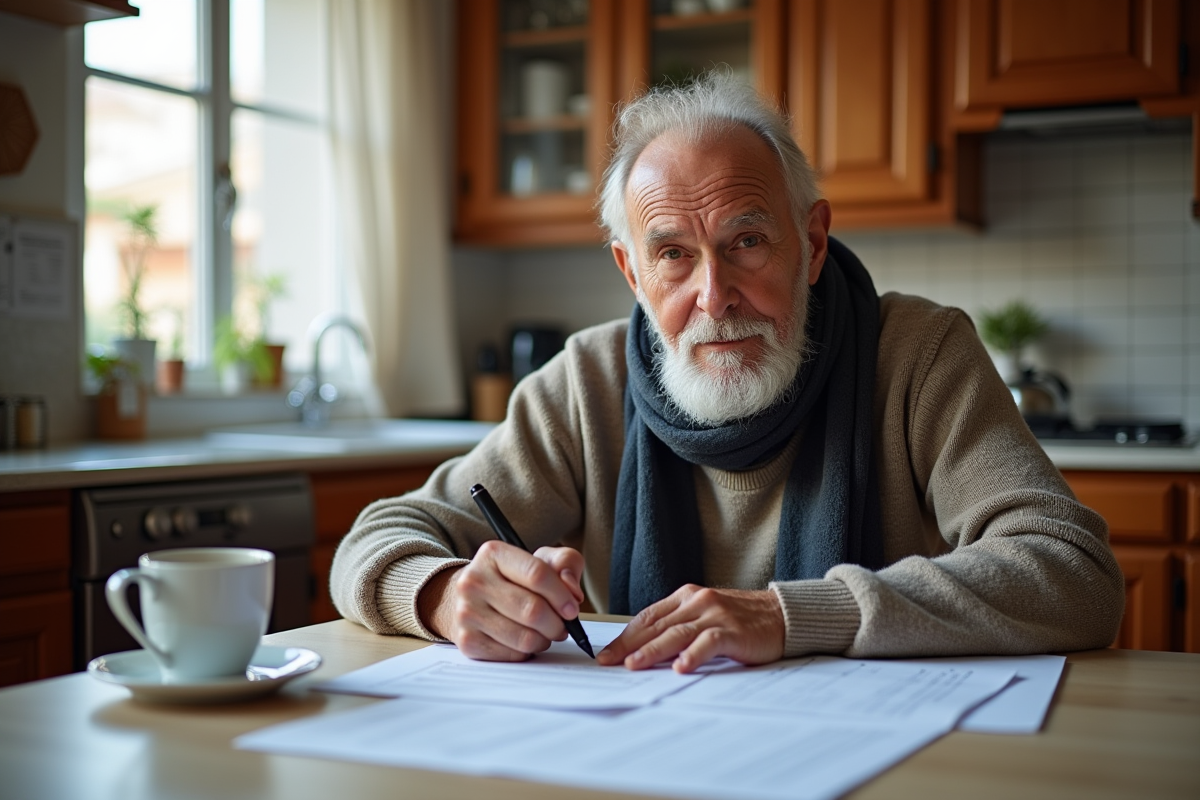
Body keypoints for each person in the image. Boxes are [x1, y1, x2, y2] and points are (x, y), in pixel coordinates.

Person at [330, 72, 1123, 673]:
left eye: (747, 242)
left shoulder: (917, 354)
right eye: (672, 253)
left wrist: (794, 616)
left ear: (811, 242)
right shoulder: (585, 384)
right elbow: (378, 538)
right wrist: (440, 595)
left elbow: (1074, 572)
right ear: (632, 273)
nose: (715, 297)